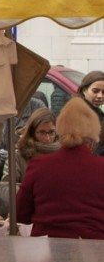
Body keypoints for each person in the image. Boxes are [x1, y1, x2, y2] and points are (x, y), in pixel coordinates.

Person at [16, 96, 104, 238]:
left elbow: (20, 214)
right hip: (95, 252)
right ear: (93, 139)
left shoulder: (38, 165)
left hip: (45, 252)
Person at [0, 107, 59, 184]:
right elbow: (5, 188)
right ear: (32, 132)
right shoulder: (18, 154)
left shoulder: (63, 152)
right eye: (42, 132)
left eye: (51, 132)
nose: (47, 138)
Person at [77, 70, 104, 154]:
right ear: (84, 90)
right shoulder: (77, 114)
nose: (100, 96)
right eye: (95, 91)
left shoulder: (97, 113)